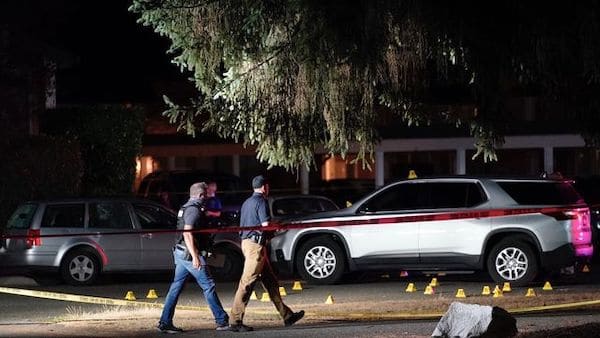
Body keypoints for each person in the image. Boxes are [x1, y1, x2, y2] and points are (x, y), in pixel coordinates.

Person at [229, 175, 304, 332]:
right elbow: (265, 225)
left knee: (270, 282)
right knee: (247, 283)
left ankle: (287, 316)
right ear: (264, 187)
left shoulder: (247, 202)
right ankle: (235, 321)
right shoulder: (262, 201)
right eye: (267, 187)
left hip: (248, 244)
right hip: (255, 247)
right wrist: (278, 227)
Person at [157, 182, 231, 333]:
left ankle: (165, 322)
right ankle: (222, 320)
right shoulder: (193, 210)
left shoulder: (185, 207)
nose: (207, 198)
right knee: (208, 285)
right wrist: (196, 256)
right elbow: (187, 233)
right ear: (200, 195)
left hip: (181, 253)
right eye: (205, 195)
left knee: (176, 287)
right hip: (189, 254)